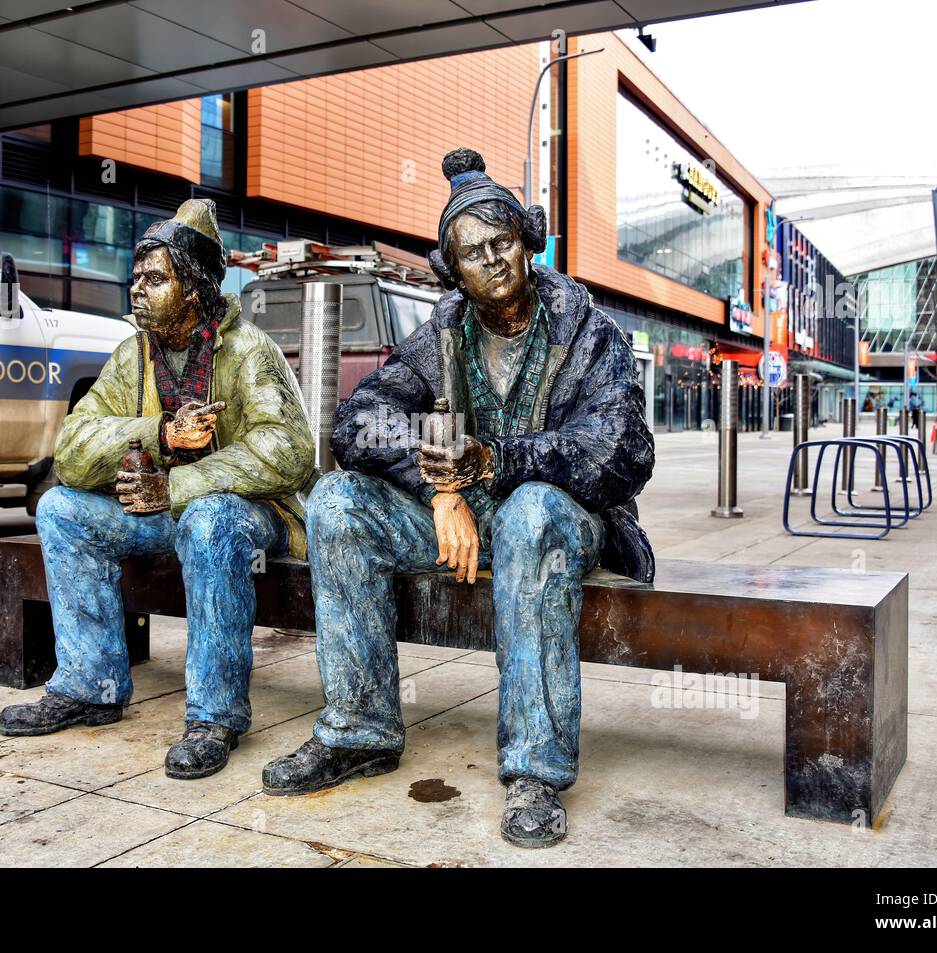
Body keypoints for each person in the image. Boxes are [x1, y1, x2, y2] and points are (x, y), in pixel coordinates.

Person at [261, 149, 656, 848]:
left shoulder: (588, 331)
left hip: (564, 524)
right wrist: (440, 485)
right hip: (466, 517)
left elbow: (622, 451)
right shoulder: (442, 332)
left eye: (502, 241)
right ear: (453, 269)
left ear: (528, 242)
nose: (493, 260)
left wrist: (497, 460)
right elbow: (358, 422)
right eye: (473, 252)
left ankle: (534, 768)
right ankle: (359, 729)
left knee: (532, 511)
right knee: (337, 501)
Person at [0, 199, 316, 781]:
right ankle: (89, 686)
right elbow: (72, 451)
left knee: (210, 521)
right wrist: (162, 433)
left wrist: (178, 484)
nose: (137, 290)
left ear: (192, 289)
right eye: (136, 278)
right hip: (161, 513)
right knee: (62, 508)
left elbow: (290, 451)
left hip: (248, 515)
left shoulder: (249, 350)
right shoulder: (132, 355)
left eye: (154, 279)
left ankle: (214, 715)